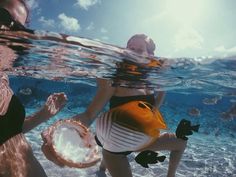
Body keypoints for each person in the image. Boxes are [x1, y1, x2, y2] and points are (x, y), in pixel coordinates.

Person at [70, 34, 187, 177]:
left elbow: (157, 101)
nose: (132, 52)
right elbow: (89, 115)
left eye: (139, 50)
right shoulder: (116, 77)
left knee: (180, 142)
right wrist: (70, 129)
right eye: (130, 48)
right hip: (115, 146)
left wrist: (158, 101)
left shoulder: (152, 81)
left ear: (150, 55)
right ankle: (102, 166)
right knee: (107, 154)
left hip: (142, 141)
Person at [0, 0, 67, 176]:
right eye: (3, 17)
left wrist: (44, 114)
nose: (9, 33)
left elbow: (9, 130)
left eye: (20, 31)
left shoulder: (3, 77)